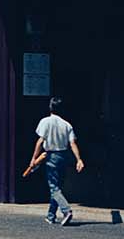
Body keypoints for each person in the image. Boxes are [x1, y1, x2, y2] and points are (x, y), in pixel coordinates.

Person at [25, 95, 84, 226]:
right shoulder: (67, 125)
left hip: (51, 156)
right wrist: (78, 159)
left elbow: (40, 141)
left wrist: (34, 158)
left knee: (53, 187)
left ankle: (66, 210)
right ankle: (51, 216)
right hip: (64, 156)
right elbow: (73, 143)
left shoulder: (45, 121)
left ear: (50, 107)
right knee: (57, 188)